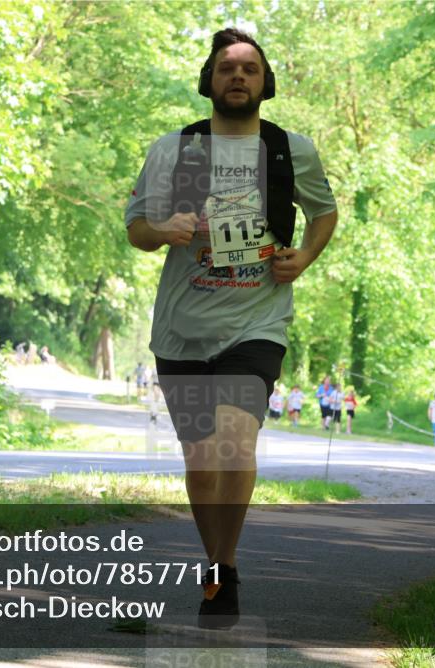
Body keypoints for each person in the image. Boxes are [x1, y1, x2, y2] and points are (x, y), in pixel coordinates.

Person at [124, 27, 337, 629]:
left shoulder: (290, 150)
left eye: (249, 68)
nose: (238, 76)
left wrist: (306, 257)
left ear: (266, 82)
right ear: (209, 82)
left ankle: (225, 569)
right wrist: (165, 230)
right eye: (226, 68)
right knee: (201, 462)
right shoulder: (175, 149)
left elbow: (325, 212)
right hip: (183, 329)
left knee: (234, 443)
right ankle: (215, 560)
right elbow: (137, 228)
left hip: (258, 321)